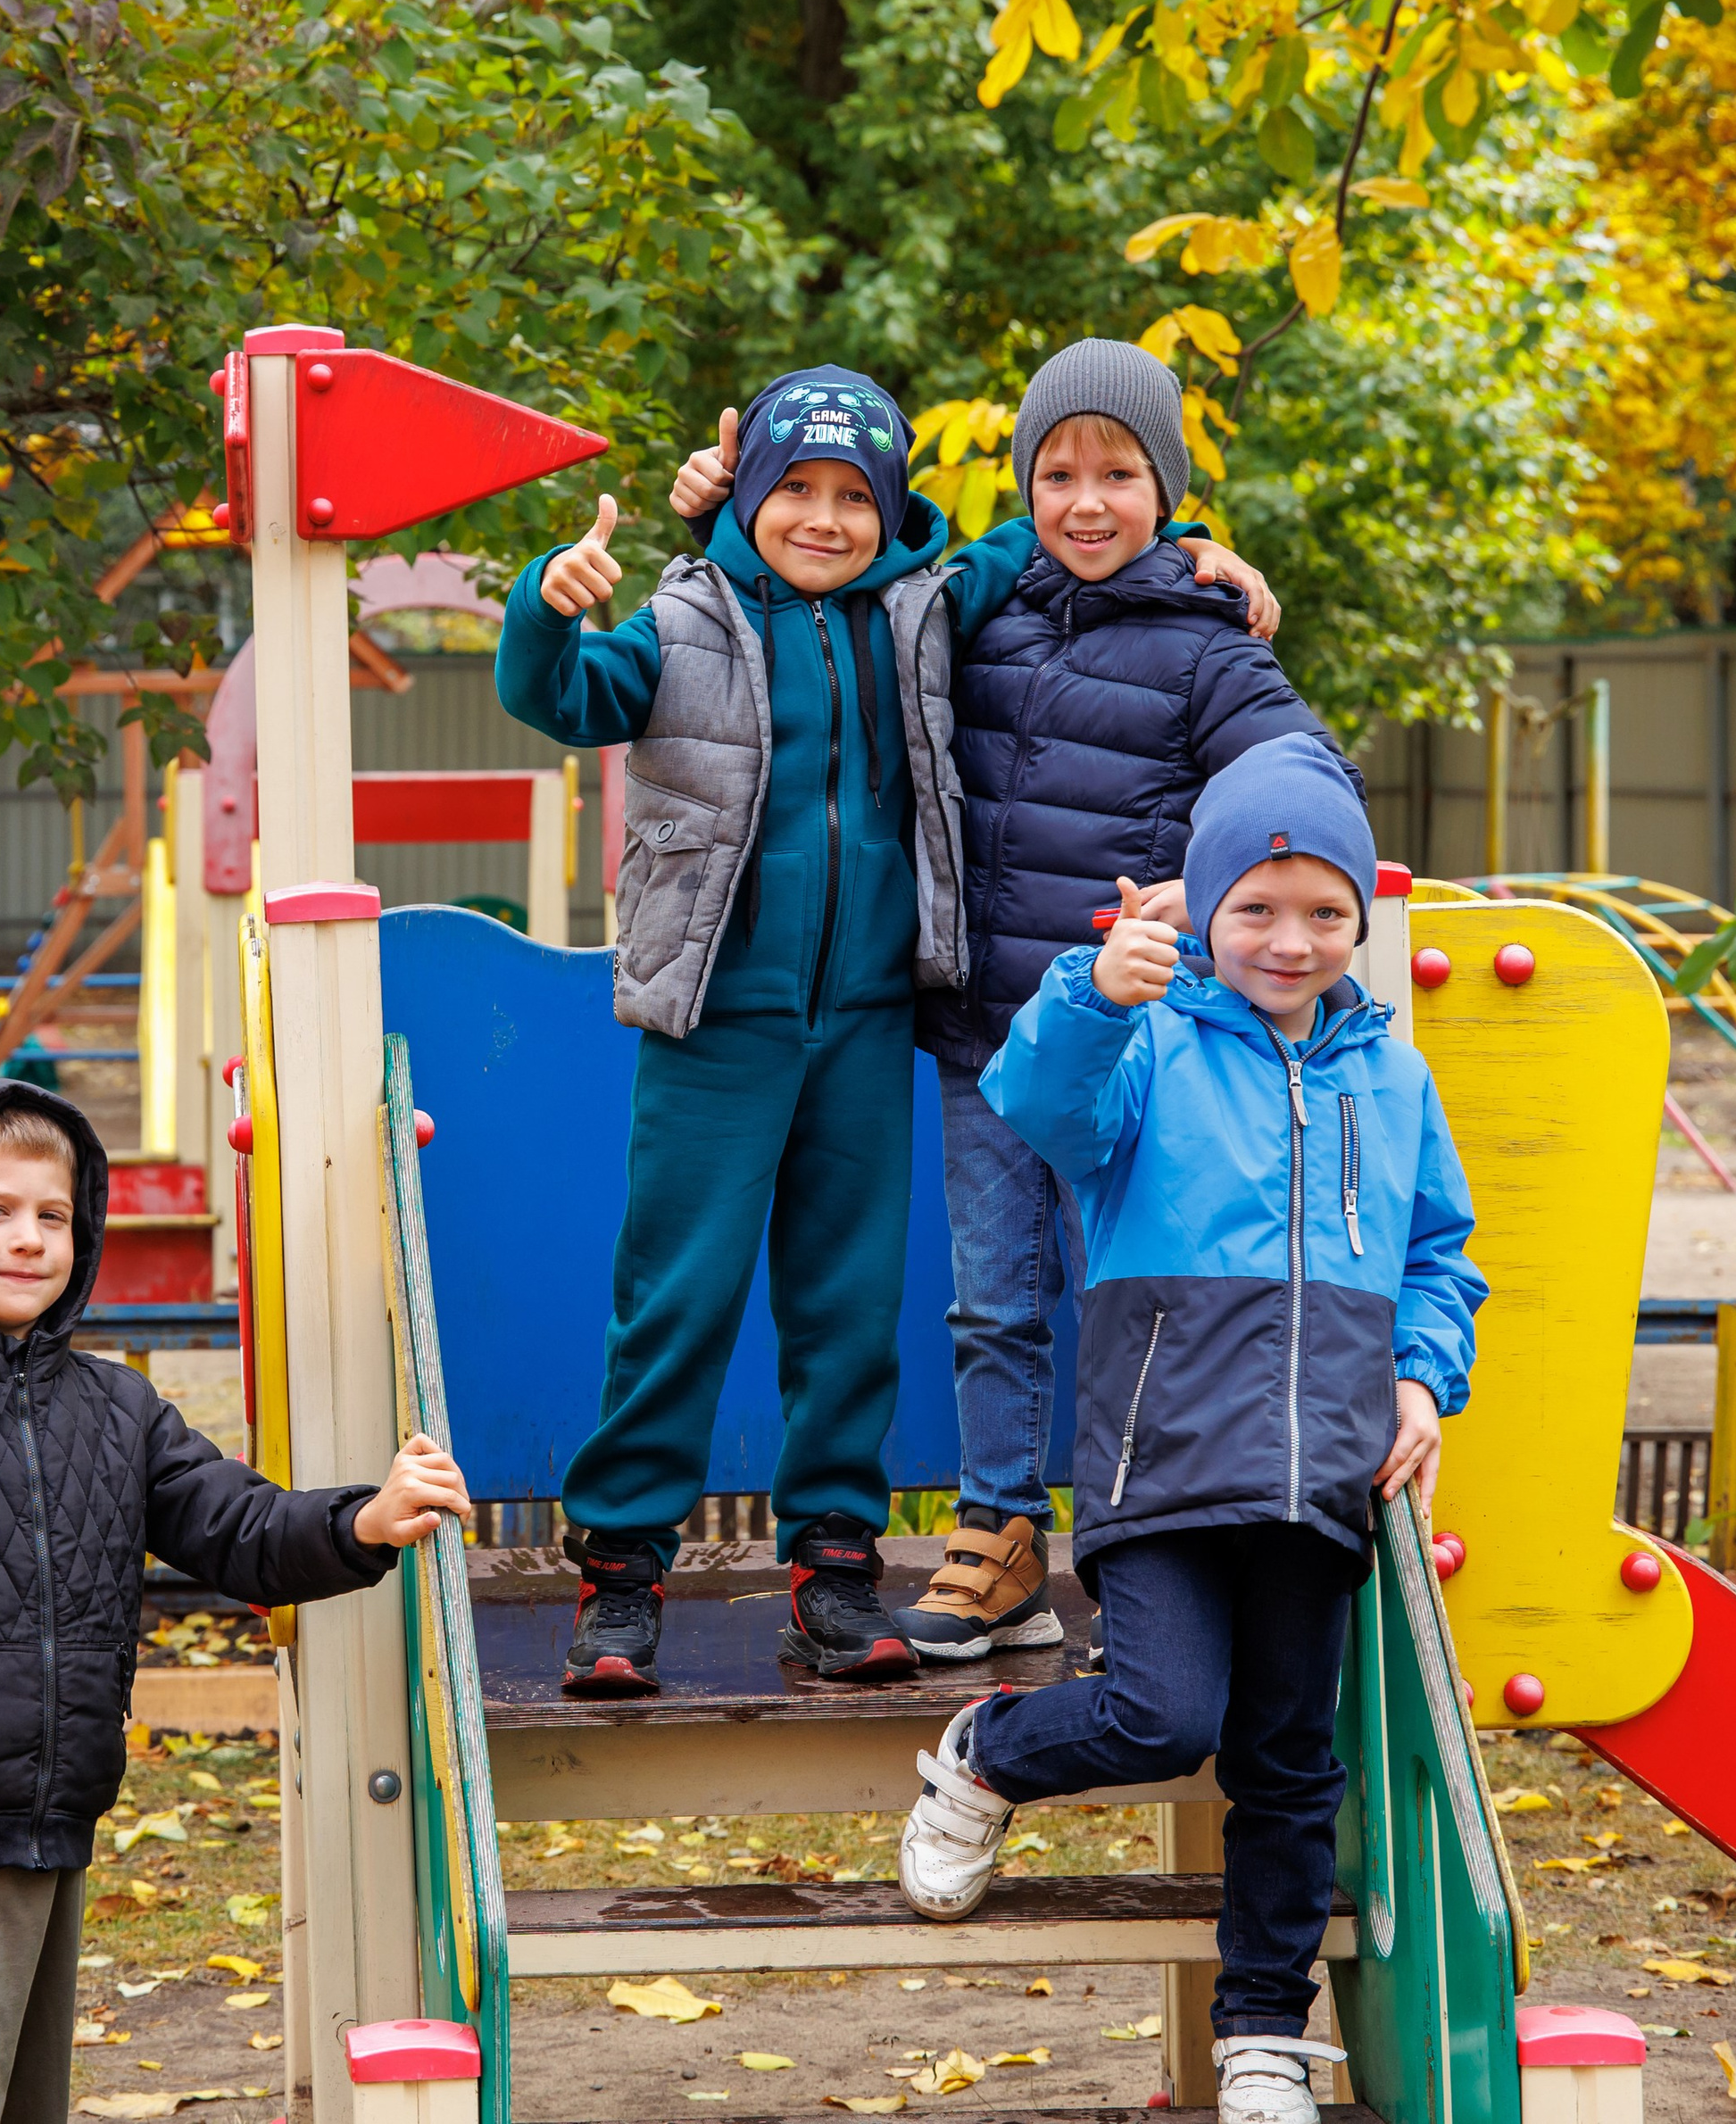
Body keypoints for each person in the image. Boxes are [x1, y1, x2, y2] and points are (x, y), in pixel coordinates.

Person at [499, 362, 1274, 1697]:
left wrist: (1200, 546)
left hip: (863, 1022)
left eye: (855, 496)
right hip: (716, 1022)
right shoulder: (682, 619)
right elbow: (566, 697)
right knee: (676, 1302)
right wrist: (543, 611)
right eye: (793, 489)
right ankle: (622, 1581)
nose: (825, 518)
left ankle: (835, 1571)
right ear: (744, 498)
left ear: (894, 512)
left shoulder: (927, 610)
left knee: (848, 1310)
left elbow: (1069, 532)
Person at [669, 339, 1355, 1665]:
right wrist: (711, 506)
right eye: (1058, 472)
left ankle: (1138, 1547)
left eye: (1122, 474)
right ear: (1023, 485)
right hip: (989, 1035)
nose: (1087, 501)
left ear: (1168, 488)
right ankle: (999, 1543)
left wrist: (1207, 900)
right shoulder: (974, 610)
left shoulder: (1209, 650)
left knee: (1123, 1301)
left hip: (1133, 1056)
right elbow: (823, 594)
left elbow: (1307, 791)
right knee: (991, 1303)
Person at [894, 733, 1485, 2124]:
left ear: (1360, 921)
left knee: (1291, 1761)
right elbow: (1038, 1102)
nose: (1292, 941)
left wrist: (1418, 1377)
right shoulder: (1149, 1042)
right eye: (1259, 911)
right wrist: (1093, 993)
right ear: (1206, 908)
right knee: (1167, 1714)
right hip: (1162, 1460)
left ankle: (1263, 2034)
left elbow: (1438, 1253)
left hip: (1325, 1471)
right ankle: (986, 1754)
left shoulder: (1390, 1077)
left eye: (1327, 914)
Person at [0, 1078, 469, 2124]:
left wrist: (365, 1521)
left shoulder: (117, 1408)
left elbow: (239, 1530)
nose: (25, 1239)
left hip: (54, 1817)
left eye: (51, 1216)